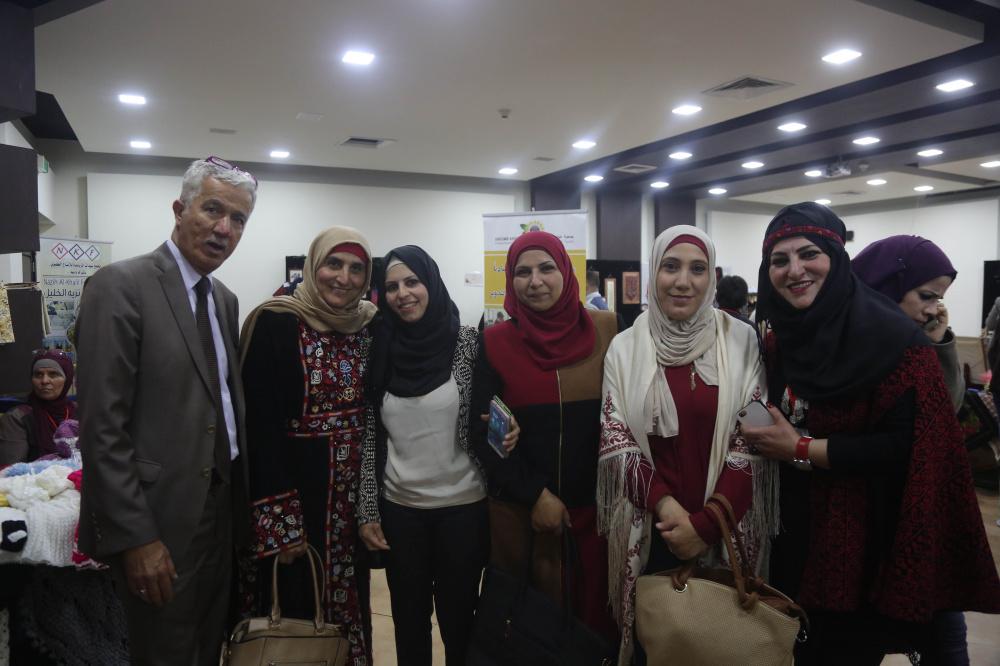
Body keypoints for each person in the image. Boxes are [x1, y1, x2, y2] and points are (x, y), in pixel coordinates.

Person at [741, 202, 1000, 665]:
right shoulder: (780, 338)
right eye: (779, 260)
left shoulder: (896, 342)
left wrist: (800, 448)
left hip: (860, 547)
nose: (794, 270)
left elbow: (909, 447)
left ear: (837, 259)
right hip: (791, 536)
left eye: (809, 254)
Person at [77, 156, 256, 665]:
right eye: (212, 210)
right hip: (160, 519)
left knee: (208, 646)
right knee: (165, 653)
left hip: (221, 511)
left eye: (238, 219)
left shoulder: (224, 300)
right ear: (180, 210)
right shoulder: (120, 285)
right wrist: (137, 538)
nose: (224, 229)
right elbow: (102, 428)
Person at [598, 226, 777, 665]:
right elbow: (617, 439)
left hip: (726, 526)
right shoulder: (624, 348)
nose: (683, 281)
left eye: (697, 269)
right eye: (670, 267)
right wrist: (669, 510)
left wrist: (707, 525)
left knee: (724, 645)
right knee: (656, 646)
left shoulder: (742, 341)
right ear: (653, 272)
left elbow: (752, 439)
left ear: (712, 278)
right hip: (654, 529)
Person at [360, 245, 516, 666]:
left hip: (463, 511)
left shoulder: (467, 343)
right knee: (409, 624)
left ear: (431, 282)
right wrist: (368, 509)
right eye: (392, 286)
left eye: (412, 282)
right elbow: (371, 437)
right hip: (401, 512)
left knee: (459, 624)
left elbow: (491, 411)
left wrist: (508, 428)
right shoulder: (378, 346)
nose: (403, 294)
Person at [469, 231, 618, 643]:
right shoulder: (495, 342)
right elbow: (484, 433)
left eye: (546, 268)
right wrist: (535, 494)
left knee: (597, 631)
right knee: (534, 636)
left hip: (599, 517)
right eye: (522, 272)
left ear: (566, 272)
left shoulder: (608, 330)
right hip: (525, 519)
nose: (535, 281)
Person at [239, 226, 378, 666]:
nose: (344, 277)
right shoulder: (276, 321)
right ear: (312, 266)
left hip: (352, 504)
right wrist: (283, 526)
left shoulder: (369, 324)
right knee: (294, 615)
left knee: (349, 606)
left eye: (356, 268)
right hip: (298, 497)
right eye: (333, 264)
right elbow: (260, 427)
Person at [852, 235, 963, 411]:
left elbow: (945, 411)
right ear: (888, 286)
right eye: (926, 296)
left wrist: (938, 345)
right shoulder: (835, 339)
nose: (933, 311)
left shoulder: (910, 342)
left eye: (938, 299)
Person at [0, 349, 76, 465]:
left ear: (68, 379)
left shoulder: (80, 412)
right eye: (38, 375)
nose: (44, 381)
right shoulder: (18, 417)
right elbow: (12, 468)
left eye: (53, 374)